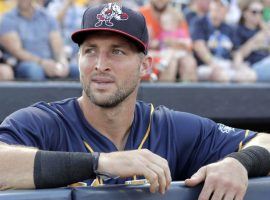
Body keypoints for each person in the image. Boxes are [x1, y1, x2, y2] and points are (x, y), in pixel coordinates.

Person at [0, 3, 270, 200]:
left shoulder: (169, 126)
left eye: (116, 52)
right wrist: (100, 162)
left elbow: (265, 140)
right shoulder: (43, 121)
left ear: (145, 66)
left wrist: (239, 162)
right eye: (90, 51)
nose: (100, 65)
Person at [0, 0, 72, 81]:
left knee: (75, 69)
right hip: (23, 64)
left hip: (50, 61)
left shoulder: (47, 16)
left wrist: (62, 62)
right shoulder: (8, 19)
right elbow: (17, 51)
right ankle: (44, 94)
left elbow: (57, 46)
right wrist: (42, 63)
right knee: (35, 71)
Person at [191, 0, 256, 82]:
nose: (217, 7)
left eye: (221, 6)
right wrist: (213, 64)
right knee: (221, 76)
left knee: (250, 75)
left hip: (226, 64)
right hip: (205, 65)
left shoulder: (229, 28)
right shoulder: (199, 22)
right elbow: (199, 46)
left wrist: (238, 65)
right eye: (215, 3)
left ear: (227, 9)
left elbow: (236, 51)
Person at [140, 0, 197, 82]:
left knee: (189, 63)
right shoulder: (141, 13)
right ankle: (164, 94)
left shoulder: (176, 15)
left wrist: (173, 43)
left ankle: (188, 94)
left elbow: (188, 45)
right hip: (152, 53)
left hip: (175, 52)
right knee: (170, 63)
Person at [233, 0, 270, 82]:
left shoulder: (263, 30)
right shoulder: (238, 30)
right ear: (244, 13)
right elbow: (238, 55)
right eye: (254, 12)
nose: (258, 15)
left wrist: (265, 30)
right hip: (253, 66)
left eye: (261, 12)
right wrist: (254, 41)